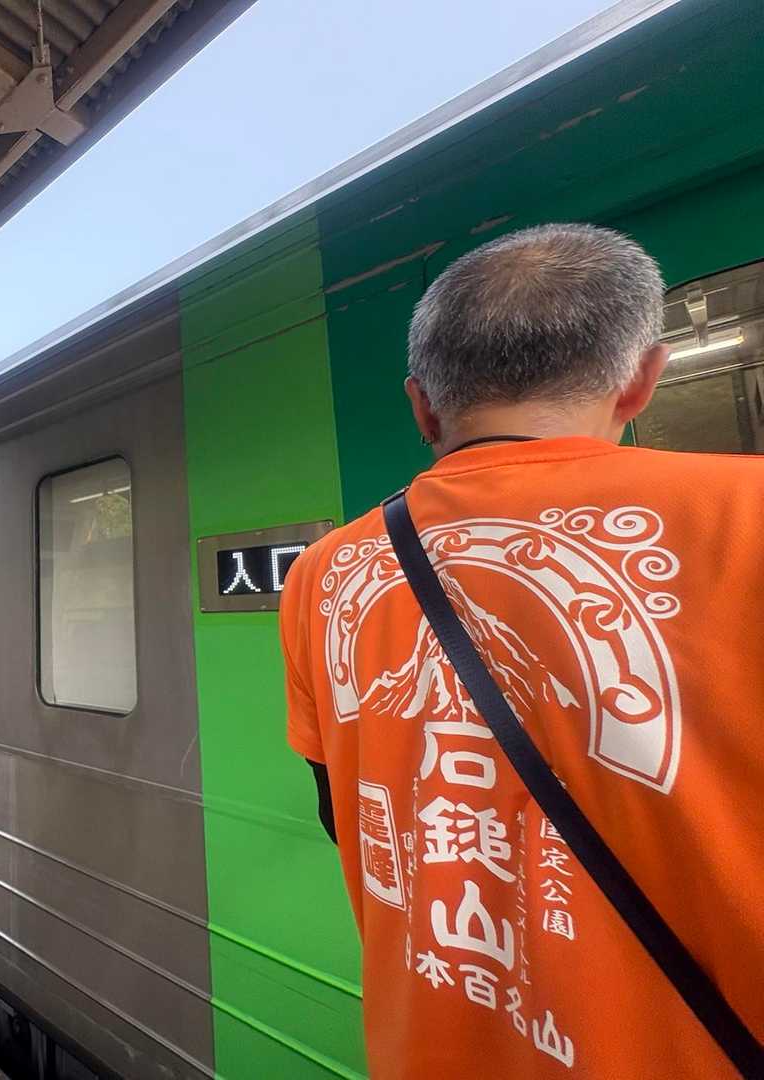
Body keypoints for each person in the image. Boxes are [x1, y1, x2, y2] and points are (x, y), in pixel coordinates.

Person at [279, 223, 763, 1078]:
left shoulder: (323, 574)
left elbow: (340, 812)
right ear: (641, 380)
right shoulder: (746, 515)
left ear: (422, 405)